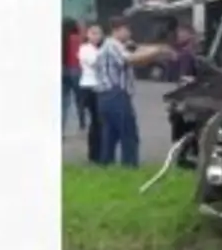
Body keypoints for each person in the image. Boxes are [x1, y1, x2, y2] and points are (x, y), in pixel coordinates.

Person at [93, 16, 171, 168]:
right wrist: (158, 50)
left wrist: (155, 51)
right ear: (118, 30)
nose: (129, 33)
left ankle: (106, 165)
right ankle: (129, 166)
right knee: (128, 133)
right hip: (116, 94)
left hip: (107, 96)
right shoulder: (112, 46)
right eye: (127, 29)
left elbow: (138, 52)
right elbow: (130, 59)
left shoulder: (117, 45)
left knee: (110, 134)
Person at [77, 23, 104, 164]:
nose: (96, 36)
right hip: (88, 86)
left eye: (98, 33)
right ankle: (93, 154)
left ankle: (100, 153)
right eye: (93, 33)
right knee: (96, 121)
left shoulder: (102, 48)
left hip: (101, 87)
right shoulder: (85, 49)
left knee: (100, 122)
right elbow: (94, 63)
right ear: (88, 35)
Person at [62, 19, 86, 134]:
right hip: (76, 70)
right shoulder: (77, 39)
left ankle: (61, 129)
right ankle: (82, 123)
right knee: (79, 100)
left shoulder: (61, 39)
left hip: (63, 70)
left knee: (64, 102)